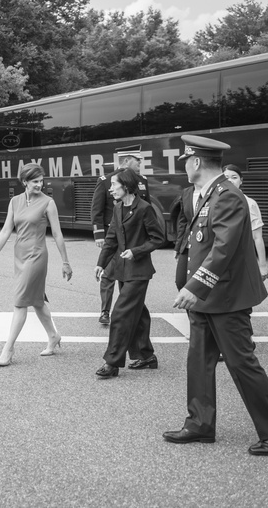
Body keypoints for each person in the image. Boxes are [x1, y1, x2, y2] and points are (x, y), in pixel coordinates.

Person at [165, 135, 268, 456]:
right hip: (208, 297)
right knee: (199, 360)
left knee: (241, 363)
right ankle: (200, 424)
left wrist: (194, 287)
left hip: (226, 297)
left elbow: (223, 248)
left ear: (196, 162)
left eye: (186, 160)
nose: (185, 165)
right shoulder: (206, 194)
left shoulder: (227, 196)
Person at [0, 162, 72, 367]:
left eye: (41, 181)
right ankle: (53, 336)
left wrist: (65, 262)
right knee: (37, 301)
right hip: (20, 255)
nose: (39, 185)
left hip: (37, 256)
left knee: (20, 302)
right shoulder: (15, 201)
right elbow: (6, 230)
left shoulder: (48, 203)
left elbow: (57, 234)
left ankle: (8, 349)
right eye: (35, 181)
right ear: (24, 182)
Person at [93, 168, 164, 378]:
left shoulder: (144, 208)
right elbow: (111, 239)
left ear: (126, 186)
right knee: (138, 313)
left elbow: (158, 238)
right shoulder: (117, 208)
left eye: (114, 185)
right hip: (122, 270)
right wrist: (101, 264)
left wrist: (136, 251)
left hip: (139, 271)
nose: (111, 189)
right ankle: (146, 355)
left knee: (121, 314)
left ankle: (112, 362)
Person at [91, 150, 151, 326]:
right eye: (137, 161)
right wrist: (99, 234)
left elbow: (148, 208)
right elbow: (97, 209)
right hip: (113, 235)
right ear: (126, 161)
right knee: (108, 274)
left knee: (128, 276)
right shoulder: (107, 181)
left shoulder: (142, 181)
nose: (140, 164)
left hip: (133, 238)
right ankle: (105, 311)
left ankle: (127, 309)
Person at [222, 165, 268, 281]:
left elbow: (257, 237)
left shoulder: (249, 203)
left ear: (241, 181)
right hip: (220, 259)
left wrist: (262, 266)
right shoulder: (214, 201)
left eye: (234, 177)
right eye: (226, 177)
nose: (230, 181)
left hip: (241, 260)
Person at [169, 183, 196, 291]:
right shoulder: (187, 192)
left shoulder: (212, 191)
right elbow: (183, 221)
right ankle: (190, 308)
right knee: (181, 282)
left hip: (204, 244)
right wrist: (178, 246)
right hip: (186, 244)